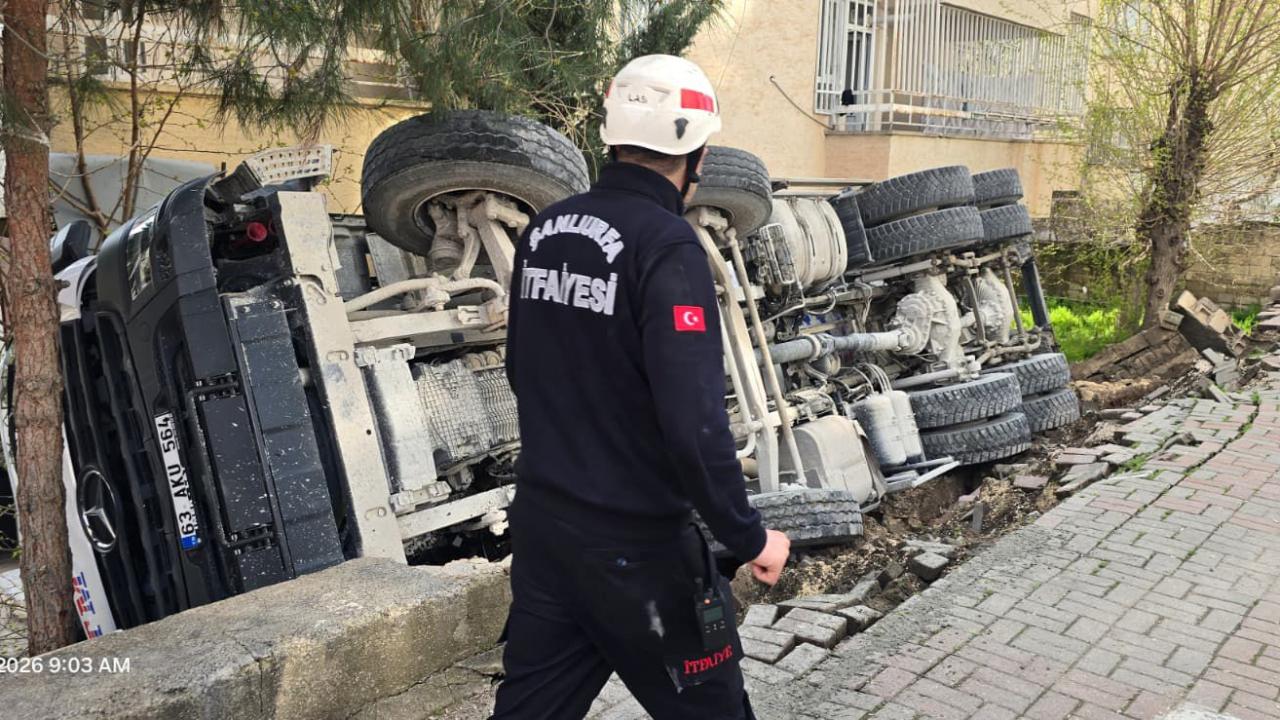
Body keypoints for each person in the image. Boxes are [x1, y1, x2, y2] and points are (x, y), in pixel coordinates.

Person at [491, 54, 790, 720]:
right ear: (698, 154)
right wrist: (749, 536)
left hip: (546, 532)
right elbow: (695, 425)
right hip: (638, 552)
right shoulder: (668, 247)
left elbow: (522, 369)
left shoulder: (545, 229)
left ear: (613, 138)